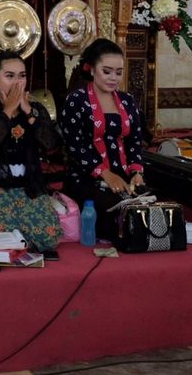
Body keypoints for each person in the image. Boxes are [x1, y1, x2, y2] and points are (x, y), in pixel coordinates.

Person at [0, 51, 62, 253]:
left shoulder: (36, 108)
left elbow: (51, 145)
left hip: (30, 185)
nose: (17, 82)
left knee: (49, 239)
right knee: (6, 239)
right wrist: (8, 111)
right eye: (9, 76)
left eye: (22, 76)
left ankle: (14, 234)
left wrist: (28, 111)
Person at [58, 38, 145, 241]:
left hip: (123, 176)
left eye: (118, 72)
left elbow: (135, 140)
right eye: (107, 71)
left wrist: (136, 172)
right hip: (86, 177)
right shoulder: (76, 100)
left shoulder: (127, 100)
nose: (113, 78)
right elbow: (75, 146)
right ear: (91, 69)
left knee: (147, 207)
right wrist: (105, 174)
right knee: (114, 214)